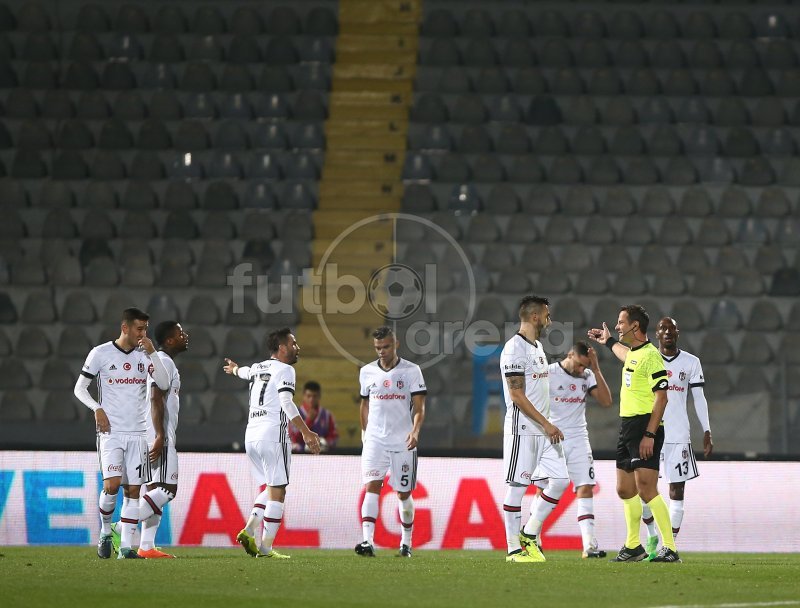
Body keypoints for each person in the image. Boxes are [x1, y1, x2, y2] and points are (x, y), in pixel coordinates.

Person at [73, 307, 171, 559]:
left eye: (146, 329)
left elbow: (163, 383)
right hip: (111, 432)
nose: (143, 333)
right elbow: (80, 388)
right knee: (112, 486)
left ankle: (126, 548)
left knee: (134, 491)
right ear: (125, 327)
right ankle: (106, 532)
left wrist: (151, 352)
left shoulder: (145, 355)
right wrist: (97, 408)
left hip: (138, 433)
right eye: (139, 328)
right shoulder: (101, 353)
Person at [588, 304, 680, 562]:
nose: (617, 326)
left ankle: (670, 548)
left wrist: (649, 435)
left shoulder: (651, 356)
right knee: (624, 489)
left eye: (620, 322)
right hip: (628, 427)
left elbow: (661, 398)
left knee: (647, 490)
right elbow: (624, 354)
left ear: (634, 326)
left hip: (644, 427)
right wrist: (607, 342)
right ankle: (633, 546)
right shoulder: (635, 353)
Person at [223, 328, 321, 559]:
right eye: (294, 343)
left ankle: (249, 531)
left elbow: (244, 372)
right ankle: (264, 547)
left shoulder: (258, 367)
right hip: (272, 434)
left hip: (251, 435)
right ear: (282, 348)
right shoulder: (286, 370)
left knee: (270, 487)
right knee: (278, 491)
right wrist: (306, 432)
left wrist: (234, 369)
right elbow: (286, 401)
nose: (298, 347)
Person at [110, 321, 189, 558]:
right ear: (170, 340)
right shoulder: (163, 361)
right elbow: (156, 399)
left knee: (153, 488)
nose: (186, 335)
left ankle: (146, 546)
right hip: (158, 435)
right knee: (167, 489)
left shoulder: (160, 361)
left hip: (148, 432)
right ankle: (121, 527)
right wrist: (160, 435)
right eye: (181, 333)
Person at [501, 295, 568, 563]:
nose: (550, 319)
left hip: (544, 431)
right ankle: (513, 550)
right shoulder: (513, 349)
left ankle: (529, 533)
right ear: (535, 317)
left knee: (561, 481)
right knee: (518, 487)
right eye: (547, 315)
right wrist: (546, 423)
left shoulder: (538, 346)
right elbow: (516, 395)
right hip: (524, 429)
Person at [530, 341, 613, 558]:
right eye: (579, 365)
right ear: (569, 354)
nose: (580, 370)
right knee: (542, 488)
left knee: (585, 487)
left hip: (578, 438)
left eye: (584, 367)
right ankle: (533, 538)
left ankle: (589, 545)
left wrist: (595, 368)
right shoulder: (548, 373)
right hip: (551, 438)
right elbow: (529, 401)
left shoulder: (588, 374)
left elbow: (606, 401)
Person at [640, 317, 713, 558]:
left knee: (677, 491)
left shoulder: (691, 362)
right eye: (663, 329)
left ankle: (669, 547)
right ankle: (652, 535)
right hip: (651, 433)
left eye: (671, 329)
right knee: (644, 489)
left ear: (677, 333)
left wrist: (706, 429)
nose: (667, 332)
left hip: (679, 435)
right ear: (657, 334)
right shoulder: (648, 359)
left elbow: (699, 398)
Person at [355, 326, 426, 558]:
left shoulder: (411, 371)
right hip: (376, 440)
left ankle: (406, 543)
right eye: (377, 348)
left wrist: (415, 431)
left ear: (395, 344)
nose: (381, 352)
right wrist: (365, 433)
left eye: (385, 347)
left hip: (403, 441)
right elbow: (364, 404)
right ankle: (367, 541)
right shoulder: (366, 372)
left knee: (403, 494)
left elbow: (419, 407)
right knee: (371, 486)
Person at [288, 381, 338, 453]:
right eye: (309, 396)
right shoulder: (294, 414)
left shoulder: (327, 415)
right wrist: (309, 421)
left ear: (319, 396)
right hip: (299, 456)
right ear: (304, 396)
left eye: (314, 396)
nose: (311, 399)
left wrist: (325, 442)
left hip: (322, 456)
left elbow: (334, 437)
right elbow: (294, 439)